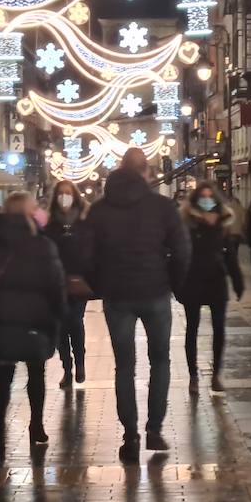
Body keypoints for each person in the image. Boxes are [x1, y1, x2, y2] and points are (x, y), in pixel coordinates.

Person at [87, 147, 190, 463]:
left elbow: (87, 251)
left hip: (117, 295)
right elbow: (182, 248)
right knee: (160, 360)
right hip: (155, 290)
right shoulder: (161, 206)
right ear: (145, 172)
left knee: (125, 365)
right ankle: (155, 429)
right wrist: (175, 283)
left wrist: (99, 283)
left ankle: (130, 433)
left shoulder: (99, 209)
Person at [0, 192, 66, 455]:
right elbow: (55, 284)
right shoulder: (42, 245)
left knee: (3, 372)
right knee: (36, 372)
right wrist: (59, 314)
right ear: (31, 214)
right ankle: (36, 425)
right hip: (35, 318)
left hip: (2, 315)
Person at [177, 183, 245, 395]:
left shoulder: (223, 225)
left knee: (219, 328)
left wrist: (237, 280)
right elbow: (180, 254)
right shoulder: (188, 225)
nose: (207, 201)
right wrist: (177, 281)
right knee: (192, 328)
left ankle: (216, 374)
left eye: (210, 197)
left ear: (216, 201)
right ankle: (193, 376)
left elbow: (230, 255)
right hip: (193, 280)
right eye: (202, 198)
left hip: (216, 279)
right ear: (196, 201)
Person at [45, 179, 92, 388]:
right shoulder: (50, 223)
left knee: (75, 320)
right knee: (61, 327)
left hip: (78, 279)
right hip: (55, 281)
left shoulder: (83, 220)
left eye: (68, 193)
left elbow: (91, 248)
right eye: (61, 193)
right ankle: (67, 367)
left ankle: (80, 363)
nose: (65, 197)